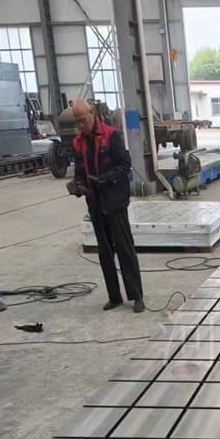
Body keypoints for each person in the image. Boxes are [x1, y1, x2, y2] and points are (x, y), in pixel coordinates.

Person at [67, 98, 145, 313]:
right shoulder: (78, 142)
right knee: (105, 252)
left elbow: (125, 166)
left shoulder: (112, 136)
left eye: (83, 119)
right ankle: (114, 296)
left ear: (92, 114)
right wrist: (78, 186)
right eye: (77, 121)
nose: (81, 124)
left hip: (115, 201)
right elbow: (80, 172)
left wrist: (106, 179)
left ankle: (137, 296)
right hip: (95, 203)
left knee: (124, 249)